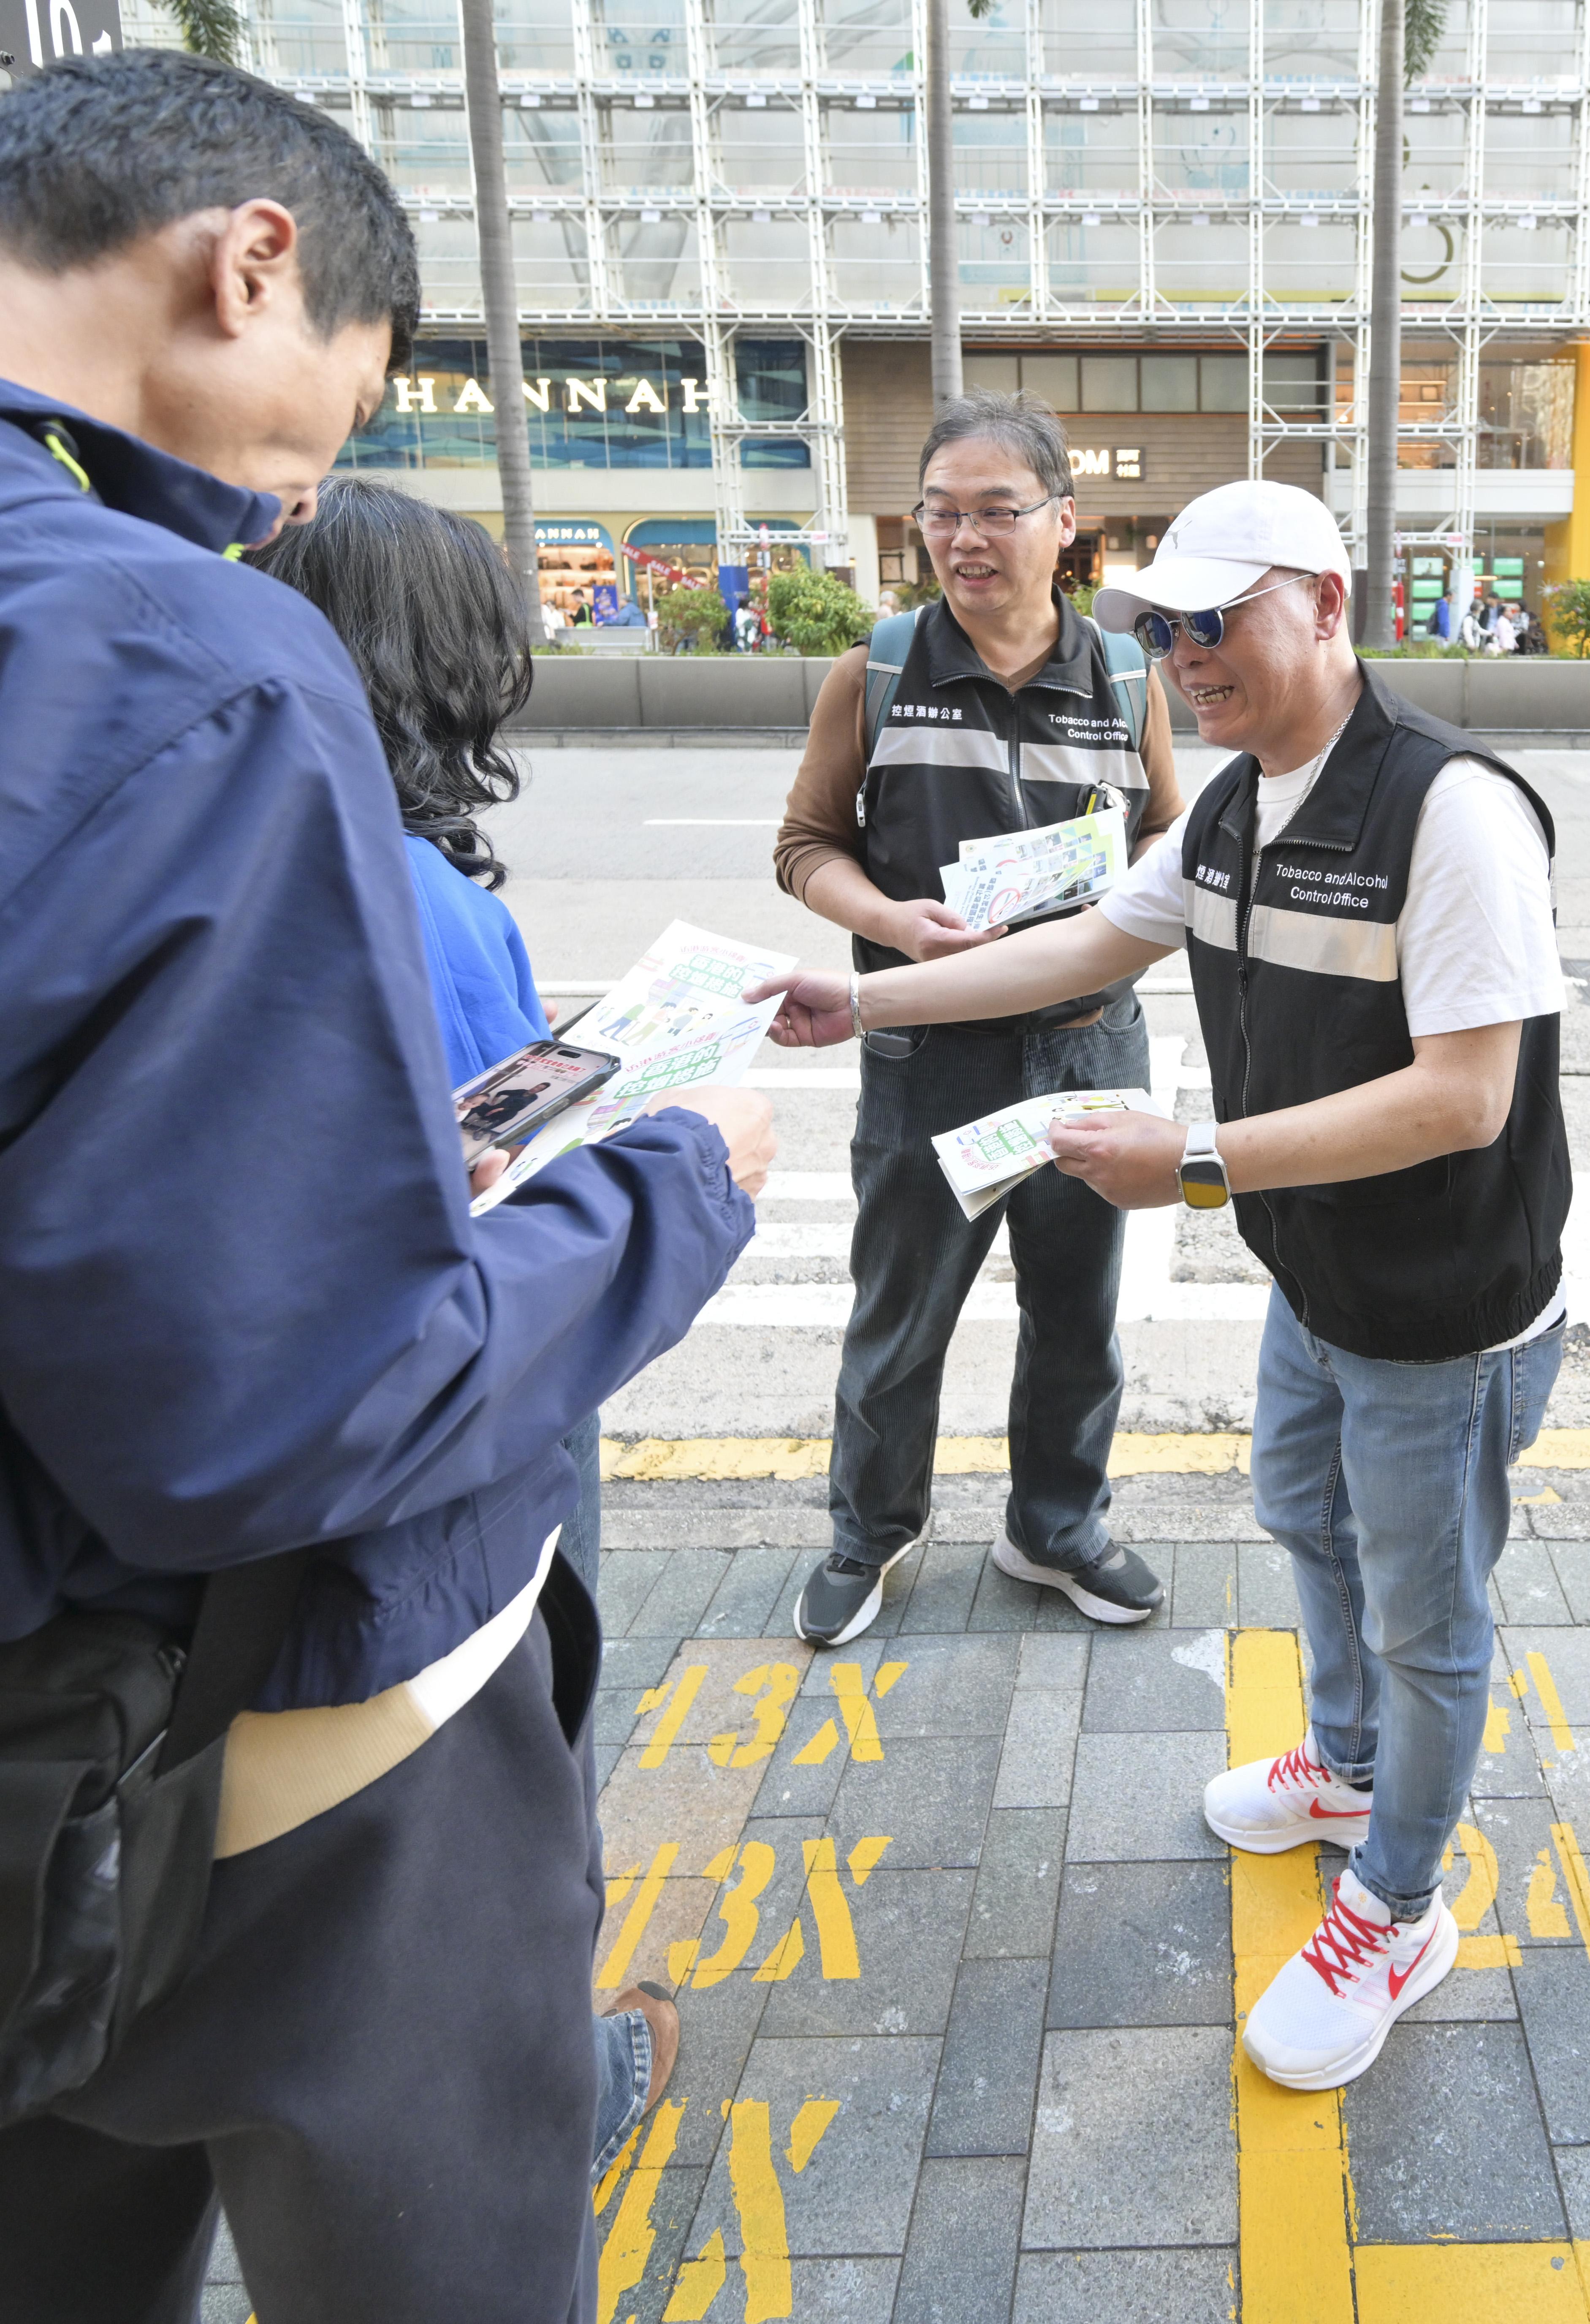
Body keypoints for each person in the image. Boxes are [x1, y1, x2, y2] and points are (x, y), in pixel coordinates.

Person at [0, 51, 775, 2324]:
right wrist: (670, 1195)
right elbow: (281, 1407)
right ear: (253, 261)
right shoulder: (173, 648)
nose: (307, 489)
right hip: (241, 1753)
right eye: (347, 403)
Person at [750, 476, 1569, 2093]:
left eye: (1222, 622)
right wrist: (868, 1001)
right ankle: (1347, 1774)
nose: (1188, 657)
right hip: (1316, 1279)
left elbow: (1465, 1098)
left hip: (1443, 1310)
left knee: (1428, 1617)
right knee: (1303, 1518)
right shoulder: (1236, 808)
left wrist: (1194, 1163)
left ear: (1328, 607)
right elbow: (1080, 949)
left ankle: (1401, 1900)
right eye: (1170, 630)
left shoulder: (1451, 809)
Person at [247, 476, 681, 2182]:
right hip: (450, 1450)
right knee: (513, 1765)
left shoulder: (210, 838)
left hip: (229, 1515)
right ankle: (547, 2085)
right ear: (442, 665)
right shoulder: (420, 894)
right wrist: (679, 1152)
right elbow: (512, 1189)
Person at [772, 387, 1183, 1646]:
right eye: (941, 513)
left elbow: (1170, 834)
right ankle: (871, 1533)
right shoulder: (879, 673)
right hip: (926, 1056)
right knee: (903, 1315)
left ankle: (1055, 1530)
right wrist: (894, 926)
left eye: (997, 511)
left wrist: (1124, 898)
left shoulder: (1125, 674)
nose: (966, 538)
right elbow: (804, 848)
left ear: (1065, 522)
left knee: (1078, 1311)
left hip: (1087, 1049)